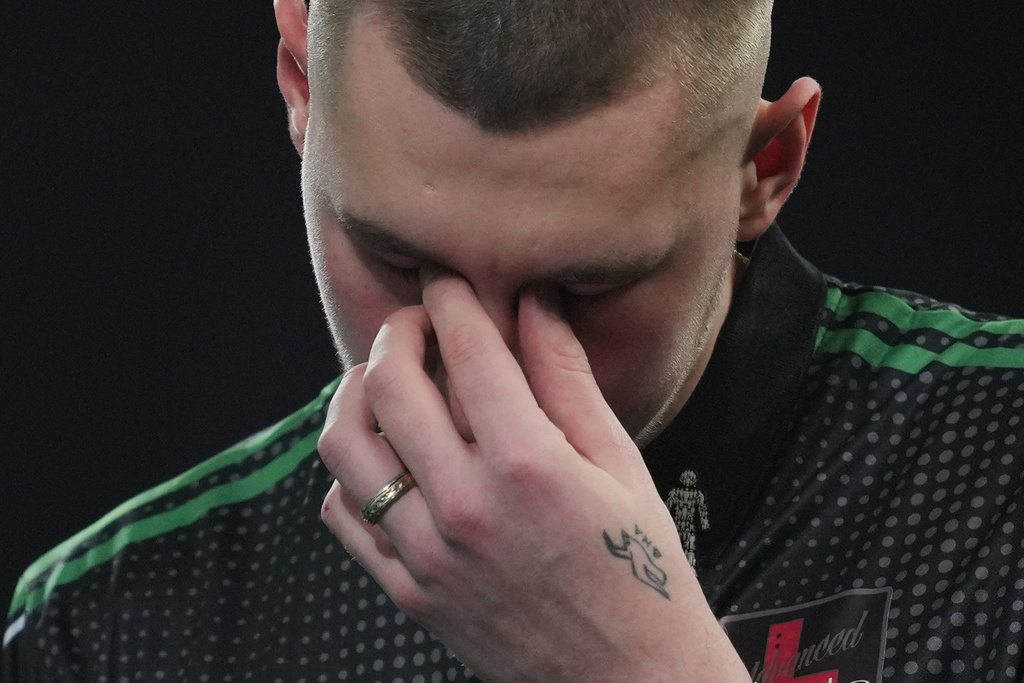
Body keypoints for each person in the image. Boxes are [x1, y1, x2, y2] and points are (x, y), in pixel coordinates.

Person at [4, 0, 1023, 681]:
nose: (472, 368)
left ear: (765, 167)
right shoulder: (113, 629)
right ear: (299, 83)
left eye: (582, 286)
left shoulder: (996, 486)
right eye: (398, 260)